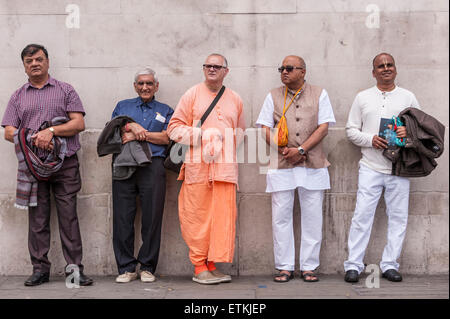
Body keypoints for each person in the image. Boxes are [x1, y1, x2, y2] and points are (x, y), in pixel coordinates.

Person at [1, 44, 93, 286]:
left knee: (69, 218)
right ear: (24, 66)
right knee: (38, 220)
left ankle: (74, 271)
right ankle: (40, 270)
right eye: (29, 61)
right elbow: (9, 131)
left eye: (38, 59)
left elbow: (79, 123)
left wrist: (51, 131)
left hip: (65, 164)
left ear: (48, 61)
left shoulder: (65, 90)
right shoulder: (18, 96)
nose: (34, 64)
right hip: (33, 167)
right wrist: (35, 138)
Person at [167, 54, 246, 285]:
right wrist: (204, 135)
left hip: (224, 169)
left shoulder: (236, 99)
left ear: (226, 71)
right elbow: (173, 128)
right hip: (197, 168)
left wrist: (224, 145)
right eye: (208, 66)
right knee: (197, 217)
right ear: (204, 69)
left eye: (216, 66)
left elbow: (240, 131)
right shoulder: (192, 94)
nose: (212, 69)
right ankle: (199, 265)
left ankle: (212, 264)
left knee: (221, 218)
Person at [256, 55, 335, 283]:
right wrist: (283, 150)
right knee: (281, 216)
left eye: (289, 68)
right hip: (282, 164)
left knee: (312, 216)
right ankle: (285, 266)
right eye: (281, 68)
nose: (284, 72)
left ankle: (309, 266)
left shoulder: (320, 93)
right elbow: (263, 128)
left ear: (303, 71)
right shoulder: (273, 95)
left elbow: (324, 128)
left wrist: (300, 150)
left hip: (313, 163)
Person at [344, 53, 421, 283]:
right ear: (374, 72)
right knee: (362, 216)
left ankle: (390, 264)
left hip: (400, 168)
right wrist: (370, 139)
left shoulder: (408, 97)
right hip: (370, 166)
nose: (386, 68)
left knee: (398, 217)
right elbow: (350, 130)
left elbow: (421, 129)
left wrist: (408, 132)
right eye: (381, 66)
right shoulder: (363, 97)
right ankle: (354, 265)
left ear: (395, 69)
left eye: (390, 65)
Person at [110, 67, 173, 283]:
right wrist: (131, 125)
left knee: (152, 217)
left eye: (149, 83)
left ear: (156, 86)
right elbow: (114, 130)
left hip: (153, 166)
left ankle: (147, 266)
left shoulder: (165, 110)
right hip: (124, 165)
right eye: (140, 83)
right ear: (135, 86)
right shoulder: (123, 106)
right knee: (122, 218)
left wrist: (139, 134)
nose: (145, 87)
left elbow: (167, 138)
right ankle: (126, 268)